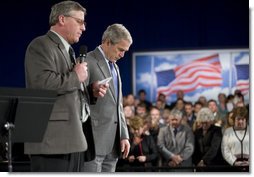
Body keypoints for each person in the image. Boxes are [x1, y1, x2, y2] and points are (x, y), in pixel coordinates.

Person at [24, 1, 108, 172]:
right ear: (62, 19)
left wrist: (90, 91)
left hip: (73, 137)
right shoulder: (40, 45)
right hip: (52, 141)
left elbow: (68, 88)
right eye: (79, 21)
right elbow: (41, 84)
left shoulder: (68, 50)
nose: (83, 28)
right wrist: (76, 77)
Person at [84, 23, 132, 172]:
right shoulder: (87, 61)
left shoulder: (115, 67)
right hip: (93, 141)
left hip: (114, 144)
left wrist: (124, 135)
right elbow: (77, 98)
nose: (122, 55)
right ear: (107, 42)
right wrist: (91, 91)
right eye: (120, 50)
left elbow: (118, 105)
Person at [221, 107, 249, 171]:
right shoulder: (228, 131)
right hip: (233, 166)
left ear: (246, 119)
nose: (240, 121)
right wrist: (234, 162)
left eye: (243, 119)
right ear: (234, 119)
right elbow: (225, 150)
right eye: (238, 119)